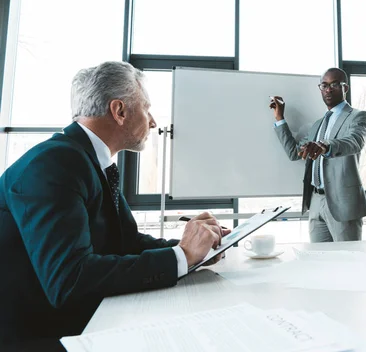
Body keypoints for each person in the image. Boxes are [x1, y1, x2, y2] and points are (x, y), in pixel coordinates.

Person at [0, 61, 229, 345]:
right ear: (119, 111)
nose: (154, 121)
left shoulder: (88, 160)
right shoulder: (54, 164)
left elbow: (125, 241)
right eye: (146, 109)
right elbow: (69, 280)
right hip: (40, 337)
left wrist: (193, 248)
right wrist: (181, 257)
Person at [270, 68, 366, 242]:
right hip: (316, 201)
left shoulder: (358, 117)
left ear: (345, 88)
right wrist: (280, 118)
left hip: (343, 202)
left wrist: (325, 146)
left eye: (334, 85)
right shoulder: (318, 124)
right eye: (324, 85)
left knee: (348, 262)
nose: (328, 89)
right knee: (319, 261)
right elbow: (295, 153)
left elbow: (355, 142)